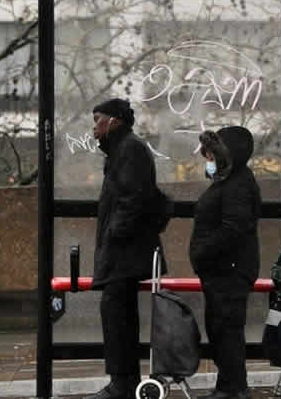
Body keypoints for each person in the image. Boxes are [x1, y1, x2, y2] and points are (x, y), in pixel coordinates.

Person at [87, 98, 165, 399]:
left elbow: (133, 199)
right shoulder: (122, 149)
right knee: (118, 316)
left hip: (125, 253)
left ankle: (122, 384)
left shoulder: (129, 149)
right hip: (123, 252)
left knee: (117, 316)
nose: (94, 127)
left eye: (98, 119)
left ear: (115, 120)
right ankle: (124, 381)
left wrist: (114, 234)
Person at [190, 127, 262, 399]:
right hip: (222, 271)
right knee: (220, 329)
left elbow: (233, 228)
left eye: (211, 155)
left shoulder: (237, 184)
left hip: (229, 271)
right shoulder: (230, 181)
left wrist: (202, 252)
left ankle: (233, 389)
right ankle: (228, 386)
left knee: (227, 330)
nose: (208, 160)